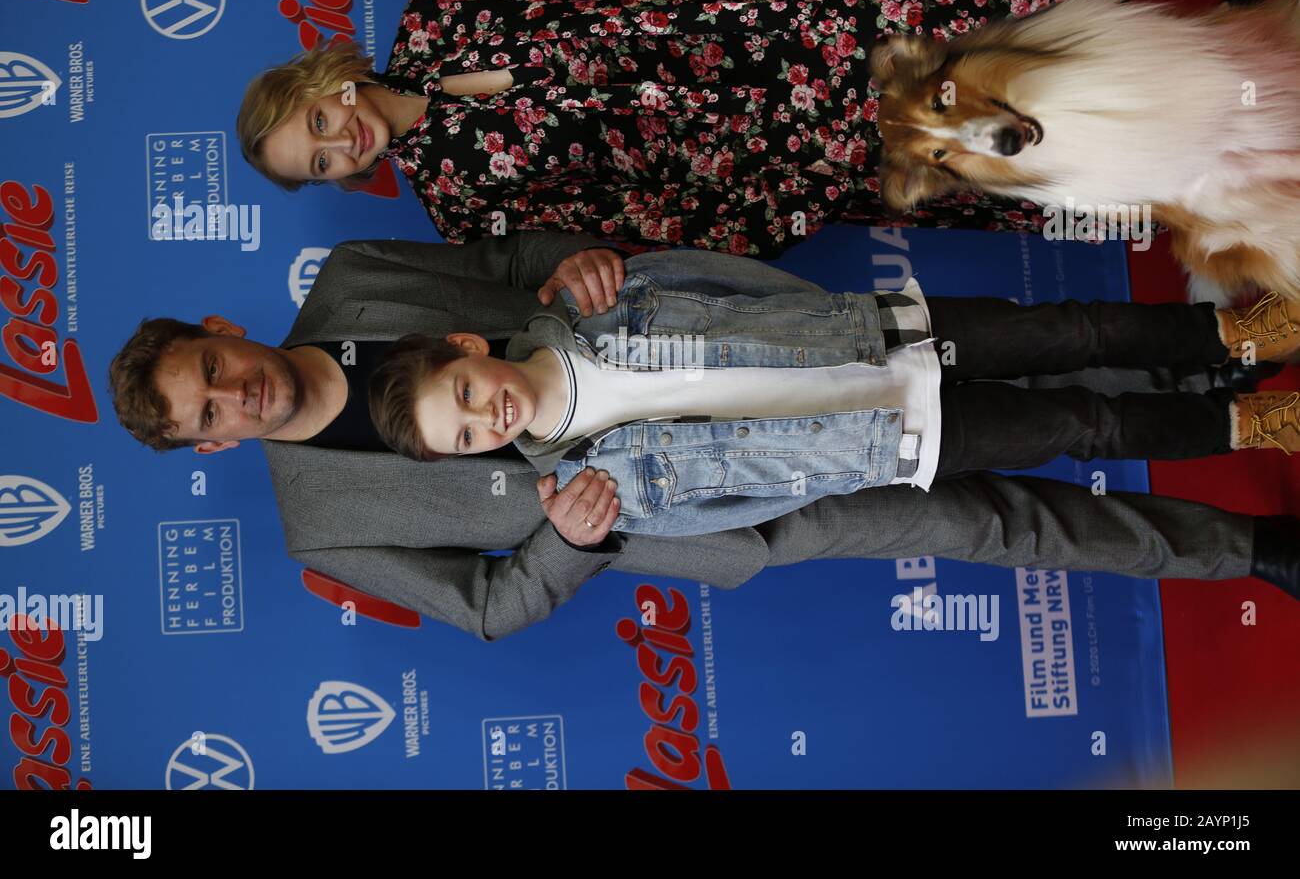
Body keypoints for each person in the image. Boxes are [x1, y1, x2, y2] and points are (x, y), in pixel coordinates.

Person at [107, 234, 1300, 639]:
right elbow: (488, 607)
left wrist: (575, 260)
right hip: (722, 509)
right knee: (994, 519)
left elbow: (508, 265)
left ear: (222, 331)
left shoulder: (357, 275)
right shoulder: (323, 524)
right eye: (210, 414)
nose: (237, 395)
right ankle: (1249, 551)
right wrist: (568, 541)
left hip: (705, 347)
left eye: (214, 368)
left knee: (1028, 348)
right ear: (212, 448)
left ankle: (1232, 337)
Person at [235, 0, 1097, 254]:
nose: (337, 145)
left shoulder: (440, 10)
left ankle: (1176, 51)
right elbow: (638, 221)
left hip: (772, 40)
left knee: (996, 47)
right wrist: (788, 203)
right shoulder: (463, 208)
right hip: (780, 157)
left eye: (318, 121)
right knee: (991, 154)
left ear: (333, 83)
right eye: (316, 163)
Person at [365, 248, 1300, 542]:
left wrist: (832, 314)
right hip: (899, 438)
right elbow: (746, 505)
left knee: (1072, 329)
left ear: (467, 347)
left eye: (464, 391)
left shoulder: (585, 298)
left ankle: (1238, 333)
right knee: (1085, 426)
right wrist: (846, 469)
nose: (487, 416)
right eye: (465, 437)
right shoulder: (587, 491)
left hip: (879, 331)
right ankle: (1252, 422)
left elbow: (719, 276)